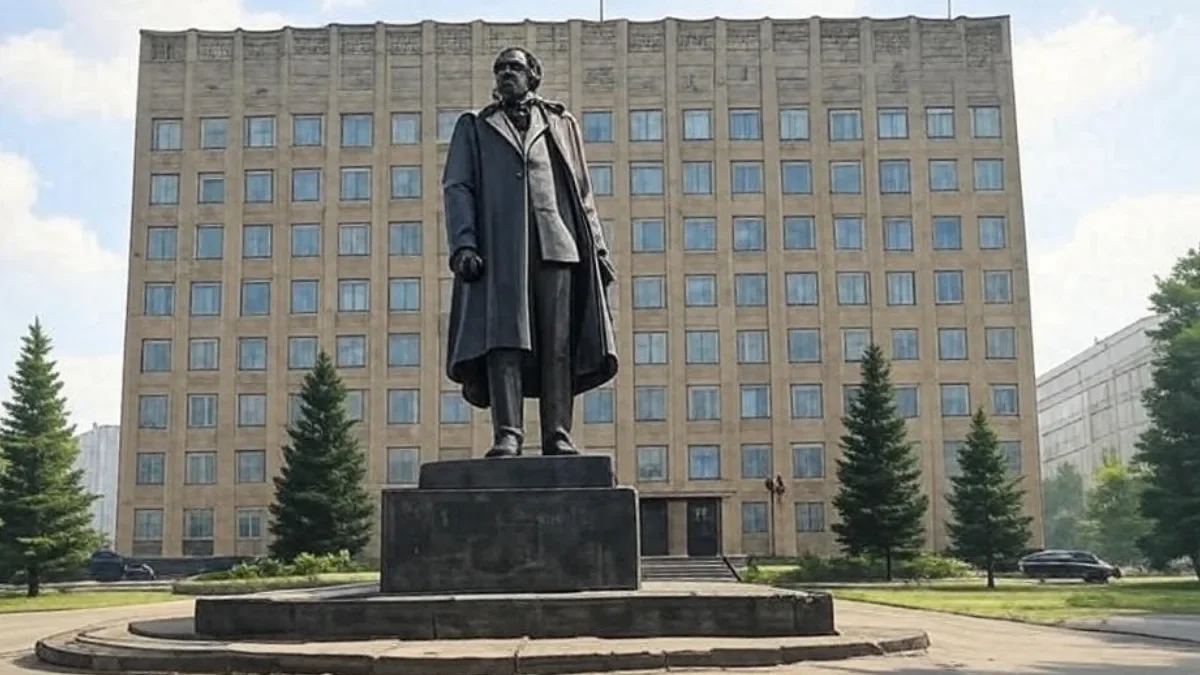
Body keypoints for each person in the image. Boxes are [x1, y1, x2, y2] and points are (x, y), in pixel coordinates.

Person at [441, 47, 618, 459]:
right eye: (500, 69)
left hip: (557, 245)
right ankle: (509, 434)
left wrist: (598, 245)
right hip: (500, 252)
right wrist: (464, 244)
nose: (506, 74)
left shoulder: (560, 122)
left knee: (558, 343)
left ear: (532, 76)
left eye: (514, 68)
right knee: (505, 342)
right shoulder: (475, 127)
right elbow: (458, 187)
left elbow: (581, 190)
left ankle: (557, 432)